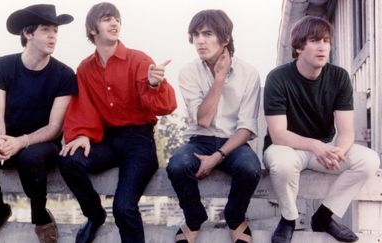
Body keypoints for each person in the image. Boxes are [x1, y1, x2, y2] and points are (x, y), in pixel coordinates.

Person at [58, 2, 177, 243]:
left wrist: (154, 84)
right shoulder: (85, 68)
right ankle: (94, 215)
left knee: (123, 207)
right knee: (69, 160)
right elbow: (83, 106)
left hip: (139, 140)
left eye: (117, 19)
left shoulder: (139, 60)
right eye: (106, 19)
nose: (114, 23)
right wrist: (81, 134)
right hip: (107, 139)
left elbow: (166, 106)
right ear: (93, 29)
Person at [263, 16, 380, 243]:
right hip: (286, 148)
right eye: (315, 40)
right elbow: (278, 134)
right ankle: (288, 219)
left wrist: (338, 151)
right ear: (298, 47)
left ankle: (324, 216)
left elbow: (346, 131)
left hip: (324, 149)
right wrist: (316, 146)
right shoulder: (278, 78)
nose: (322, 46)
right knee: (282, 164)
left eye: (326, 40)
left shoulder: (339, 77)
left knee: (369, 160)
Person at [0, 4, 76, 243]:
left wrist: (22, 142)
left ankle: (40, 217)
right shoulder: (3, 66)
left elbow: (54, 127)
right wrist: (0, 140)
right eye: (46, 30)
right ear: (28, 33)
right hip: (8, 136)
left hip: (43, 144)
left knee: (30, 157)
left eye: (55, 31)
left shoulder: (64, 75)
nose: (53, 36)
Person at [166, 9, 262, 243]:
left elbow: (246, 128)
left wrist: (217, 157)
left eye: (208, 34)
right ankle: (194, 217)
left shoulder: (249, 73)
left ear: (225, 39)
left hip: (235, 142)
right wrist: (219, 79)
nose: (200, 40)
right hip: (201, 139)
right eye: (196, 35)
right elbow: (203, 120)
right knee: (177, 165)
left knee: (250, 169)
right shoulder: (188, 72)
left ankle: (235, 216)